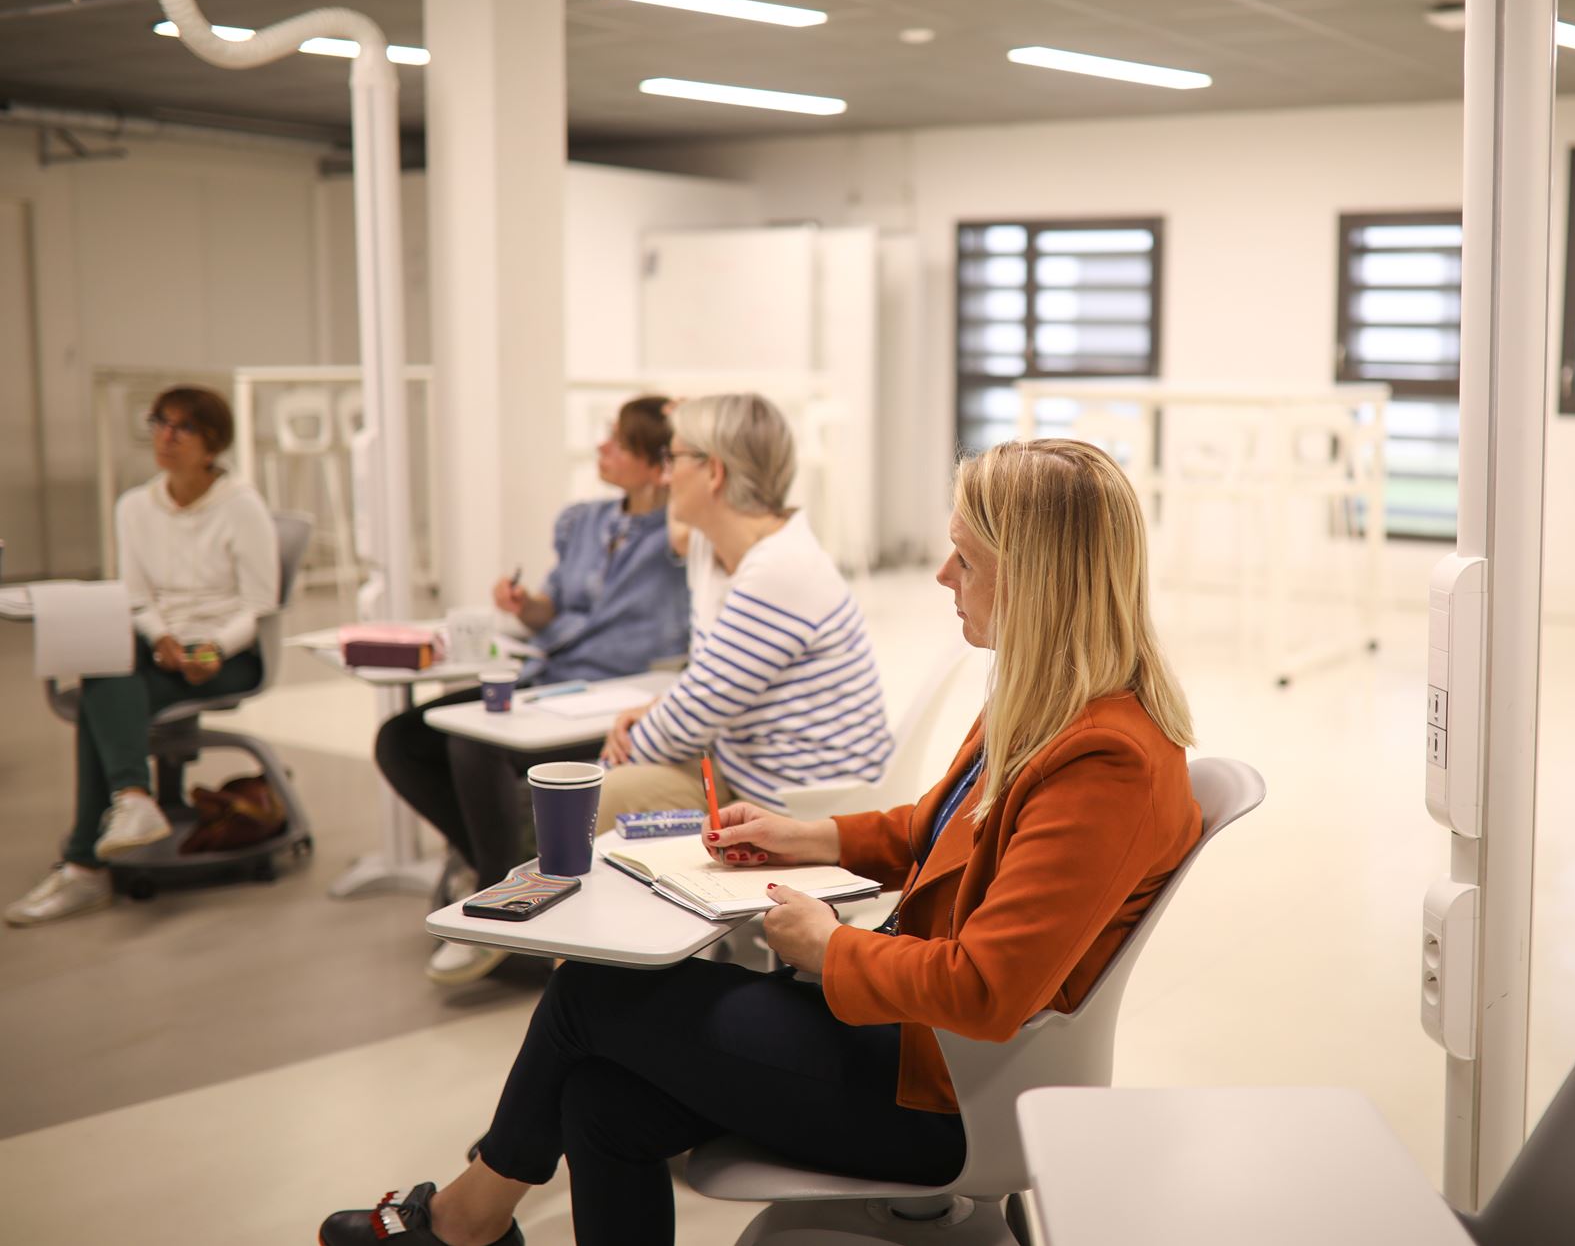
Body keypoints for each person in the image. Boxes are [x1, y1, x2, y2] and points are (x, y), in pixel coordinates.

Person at [318, 438, 1202, 1246]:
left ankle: (465, 1220)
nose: (939, 574)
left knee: (592, 996)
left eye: (964, 558)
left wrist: (830, 946)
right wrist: (807, 834)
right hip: (921, 1044)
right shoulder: (1058, 703)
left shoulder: (1103, 763)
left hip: (950, 1094)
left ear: (1037, 579)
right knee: (601, 1095)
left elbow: (985, 988)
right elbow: (930, 831)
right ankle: (471, 1216)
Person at [374, 395, 692, 985]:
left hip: (613, 698)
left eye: (618, 441)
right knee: (403, 739)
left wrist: (688, 430)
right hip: (550, 681)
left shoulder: (681, 537)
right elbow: (554, 610)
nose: (601, 447)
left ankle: (505, 904)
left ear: (658, 463)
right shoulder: (584, 521)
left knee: (474, 746)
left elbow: (686, 524)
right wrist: (527, 606)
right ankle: (491, 866)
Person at [6, 385, 278, 928]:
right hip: (162, 648)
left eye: (183, 428)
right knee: (110, 655)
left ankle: (89, 862)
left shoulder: (242, 507)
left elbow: (259, 606)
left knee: (97, 698)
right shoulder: (134, 507)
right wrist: (160, 638)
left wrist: (210, 648)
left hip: (230, 652)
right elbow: (135, 597)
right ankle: (129, 802)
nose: (165, 437)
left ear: (213, 444)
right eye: (159, 423)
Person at [596, 392, 890, 813]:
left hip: (801, 805)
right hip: (743, 771)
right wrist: (652, 712)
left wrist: (616, 754)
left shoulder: (781, 569)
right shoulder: (713, 545)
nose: (664, 477)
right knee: (607, 783)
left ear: (714, 472)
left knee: (597, 792)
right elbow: (706, 691)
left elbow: (693, 714)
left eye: (672, 459)